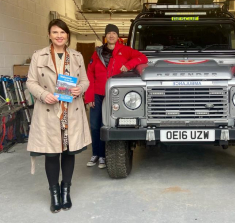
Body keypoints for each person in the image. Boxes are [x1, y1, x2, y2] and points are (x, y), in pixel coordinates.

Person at [27, 19, 91, 213]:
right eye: (55, 32)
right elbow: (30, 82)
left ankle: (66, 191)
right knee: (52, 153)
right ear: (49, 35)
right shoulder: (39, 56)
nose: (59, 35)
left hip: (70, 112)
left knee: (69, 152)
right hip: (49, 111)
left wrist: (80, 88)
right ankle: (54, 193)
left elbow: (85, 80)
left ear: (67, 35)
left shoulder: (77, 56)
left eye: (62, 32)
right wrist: (43, 94)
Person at [85, 24, 148, 169]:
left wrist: (129, 64)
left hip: (114, 95)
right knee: (95, 125)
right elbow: (90, 73)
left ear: (117, 36)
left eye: (114, 33)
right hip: (98, 93)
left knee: (107, 125)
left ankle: (105, 156)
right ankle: (97, 154)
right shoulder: (97, 52)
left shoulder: (125, 50)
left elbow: (143, 58)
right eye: (109, 33)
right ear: (105, 36)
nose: (111, 36)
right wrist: (89, 97)